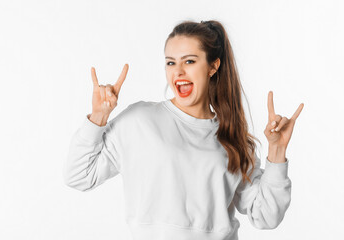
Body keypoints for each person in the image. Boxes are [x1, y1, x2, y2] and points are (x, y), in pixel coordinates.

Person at [63, 20, 304, 240]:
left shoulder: (232, 139)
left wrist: (277, 149)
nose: (178, 72)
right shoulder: (140, 121)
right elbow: (79, 176)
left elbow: (266, 216)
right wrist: (98, 116)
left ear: (213, 67)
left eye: (189, 61)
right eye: (171, 62)